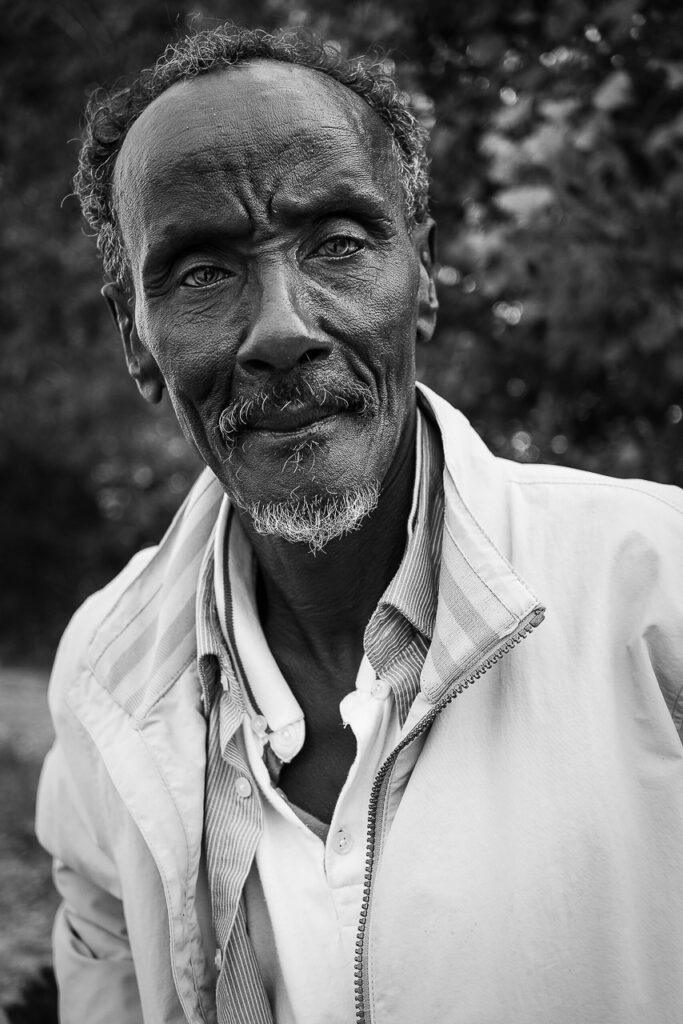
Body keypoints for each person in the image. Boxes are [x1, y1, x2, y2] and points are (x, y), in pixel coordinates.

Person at [36, 22, 683, 1024]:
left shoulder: (656, 593)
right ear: (137, 339)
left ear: (421, 276)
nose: (281, 329)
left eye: (337, 244)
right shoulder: (105, 672)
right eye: (202, 272)